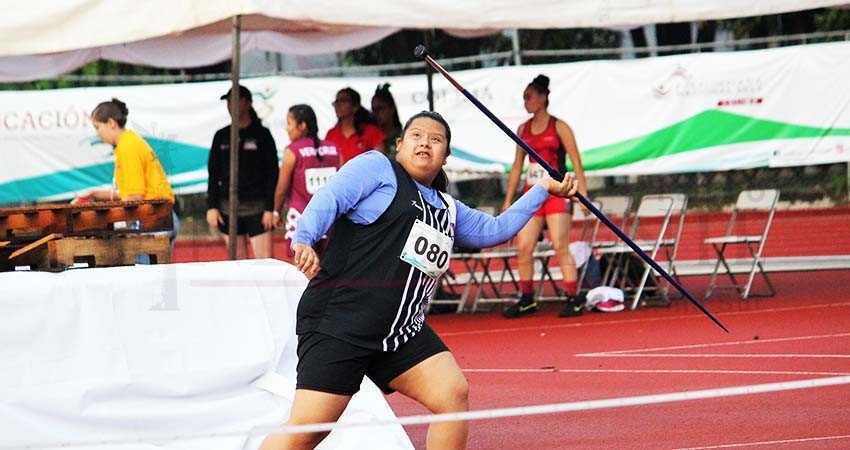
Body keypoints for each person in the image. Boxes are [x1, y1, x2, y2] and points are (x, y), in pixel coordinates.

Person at [258, 111, 579, 450]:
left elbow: (494, 229)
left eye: (436, 139)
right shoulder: (377, 168)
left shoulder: (448, 209)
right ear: (400, 144)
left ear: (446, 156)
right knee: (309, 429)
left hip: (398, 332)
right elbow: (330, 197)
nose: (425, 142)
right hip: (340, 323)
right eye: (416, 135)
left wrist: (543, 188)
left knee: (451, 394)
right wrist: (304, 238)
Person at [501, 74, 589, 319]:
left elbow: (577, 162)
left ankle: (574, 297)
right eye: (524, 97)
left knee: (560, 245)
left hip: (557, 193)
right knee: (525, 246)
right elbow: (517, 166)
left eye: (528, 97)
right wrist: (509, 199)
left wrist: (582, 194)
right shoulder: (523, 129)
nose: (525, 102)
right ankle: (527, 298)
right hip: (533, 193)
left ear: (542, 98)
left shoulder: (559, 126)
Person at [75, 98, 179, 253]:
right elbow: (129, 194)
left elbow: (134, 198)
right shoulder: (128, 142)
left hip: (154, 220)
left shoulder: (128, 147)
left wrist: (103, 215)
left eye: (97, 127)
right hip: (159, 218)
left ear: (111, 123)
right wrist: (94, 194)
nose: (97, 133)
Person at [206, 85, 279, 259]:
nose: (231, 106)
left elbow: (272, 173)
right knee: (237, 264)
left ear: (247, 103)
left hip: (258, 208)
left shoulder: (262, 134)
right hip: (227, 208)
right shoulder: (221, 135)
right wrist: (212, 207)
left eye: (235, 101)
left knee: (265, 262)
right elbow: (213, 173)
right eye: (228, 102)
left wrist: (271, 208)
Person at [272, 104, 340, 262]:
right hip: (330, 222)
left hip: (301, 222)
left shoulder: (292, 151)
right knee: (330, 271)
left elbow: (282, 188)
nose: (286, 129)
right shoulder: (334, 149)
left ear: (302, 126)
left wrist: (276, 211)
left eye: (289, 123)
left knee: (301, 270)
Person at [325, 87, 385, 165]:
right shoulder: (331, 134)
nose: (337, 105)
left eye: (343, 101)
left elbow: (380, 162)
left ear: (355, 106)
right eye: (336, 102)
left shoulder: (372, 132)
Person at [371, 83, 402, 160]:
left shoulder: (403, 136)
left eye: (380, 108)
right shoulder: (369, 136)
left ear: (391, 108)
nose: (376, 113)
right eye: (373, 109)